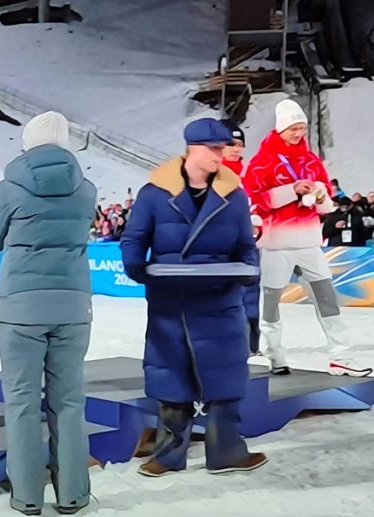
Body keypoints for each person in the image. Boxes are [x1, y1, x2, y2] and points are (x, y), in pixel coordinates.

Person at [121, 118, 267, 478]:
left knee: (226, 378)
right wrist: (136, 266)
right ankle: (168, 455)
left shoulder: (234, 195)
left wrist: (249, 269)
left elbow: (245, 244)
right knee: (171, 378)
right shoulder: (154, 193)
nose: (221, 155)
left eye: (224, 148)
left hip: (221, 299)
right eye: (215, 149)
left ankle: (227, 452)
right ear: (193, 149)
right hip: (172, 302)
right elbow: (134, 238)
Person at [0, 112, 96, 516]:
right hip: (73, 306)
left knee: (22, 404)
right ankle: (73, 494)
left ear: (28, 142)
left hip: (22, 307)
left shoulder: (10, 188)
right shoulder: (86, 189)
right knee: (70, 402)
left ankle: (27, 495)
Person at [243, 99, 372, 377]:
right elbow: (254, 200)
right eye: (293, 128)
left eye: (302, 128)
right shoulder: (262, 163)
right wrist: (292, 190)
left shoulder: (312, 161)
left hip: (310, 242)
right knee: (271, 302)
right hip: (277, 244)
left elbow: (327, 206)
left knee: (327, 297)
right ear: (281, 128)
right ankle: (275, 354)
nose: (299, 133)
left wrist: (321, 195)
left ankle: (341, 356)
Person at [219, 120, 262, 357]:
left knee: (251, 297)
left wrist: (258, 223)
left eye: (239, 144)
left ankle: (252, 346)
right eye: (231, 144)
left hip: (248, 248)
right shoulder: (210, 177)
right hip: (222, 251)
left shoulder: (247, 176)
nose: (236, 149)